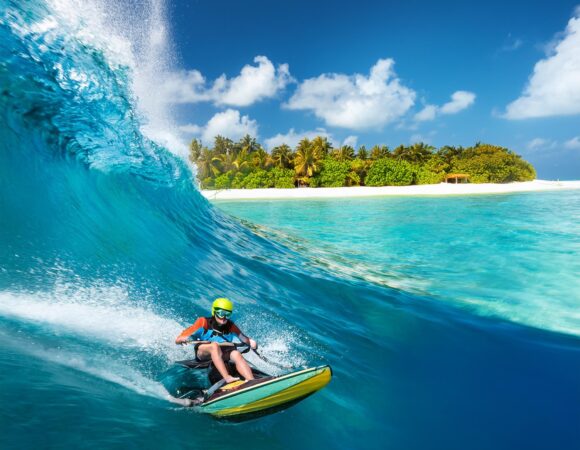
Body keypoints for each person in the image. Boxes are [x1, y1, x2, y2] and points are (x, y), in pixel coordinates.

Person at [175, 298, 258, 384]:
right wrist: (182, 339)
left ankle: (251, 381)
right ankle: (227, 378)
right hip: (203, 353)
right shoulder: (203, 322)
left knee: (236, 353)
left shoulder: (231, 326)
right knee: (214, 346)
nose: (224, 317)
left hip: (221, 353)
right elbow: (178, 339)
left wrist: (251, 342)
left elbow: (244, 338)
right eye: (221, 313)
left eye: (227, 314)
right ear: (214, 312)